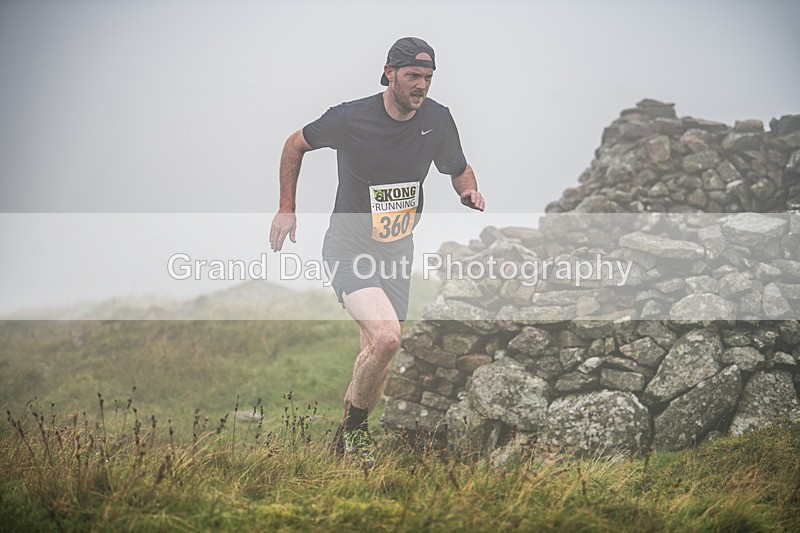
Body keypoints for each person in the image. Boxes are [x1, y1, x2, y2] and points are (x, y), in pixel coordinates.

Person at [269, 37, 485, 464]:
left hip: (397, 251)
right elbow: (295, 143)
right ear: (389, 73)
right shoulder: (351, 118)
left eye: (428, 77)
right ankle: (356, 433)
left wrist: (469, 191)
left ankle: (341, 446)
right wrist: (287, 208)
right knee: (387, 338)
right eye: (413, 76)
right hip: (350, 246)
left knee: (375, 350)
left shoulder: (437, 121)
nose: (421, 85)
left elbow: (459, 169)